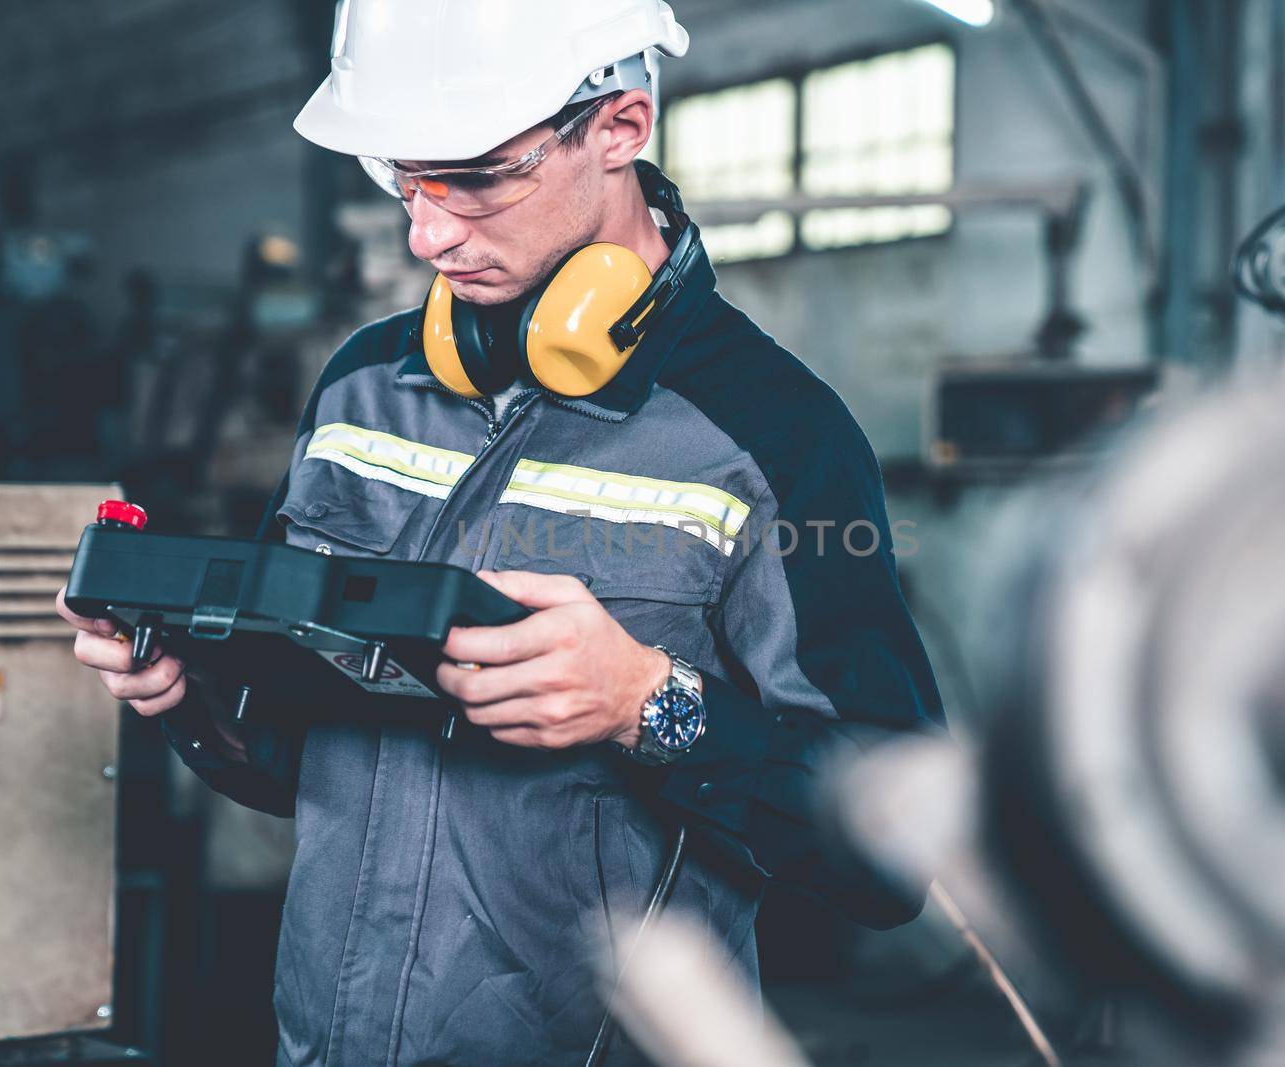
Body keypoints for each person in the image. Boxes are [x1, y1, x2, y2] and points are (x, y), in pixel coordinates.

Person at [57, 2, 944, 1063]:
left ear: (619, 126)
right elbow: (301, 762)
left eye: (475, 177)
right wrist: (193, 696)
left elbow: (887, 853)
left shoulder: (774, 438)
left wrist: (645, 702)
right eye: (404, 179)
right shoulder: (363, 389)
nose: (426, 234)